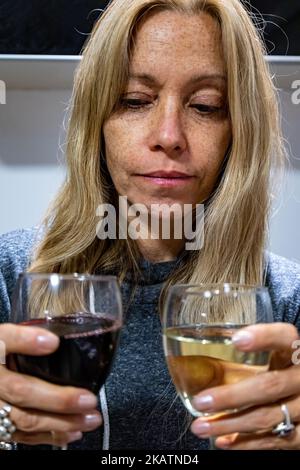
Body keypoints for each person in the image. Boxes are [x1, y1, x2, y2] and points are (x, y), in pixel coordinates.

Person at [0, 0, 300, 451]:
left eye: (206, 106)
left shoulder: (287, 304)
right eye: (135, 100)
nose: (168, 135)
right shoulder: (10, 278)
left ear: (239, 131)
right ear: (95, 121)